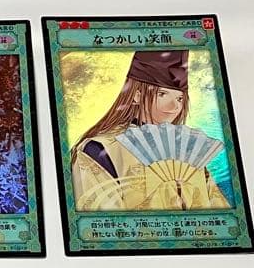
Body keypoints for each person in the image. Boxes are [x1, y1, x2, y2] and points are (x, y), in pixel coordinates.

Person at [69, 50, 230, 211]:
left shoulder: (191, 151)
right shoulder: (99, 149)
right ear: (136, 96)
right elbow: (98, 217)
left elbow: (219, 210)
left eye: (179, 98)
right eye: (162, 94)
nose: (174, 106)